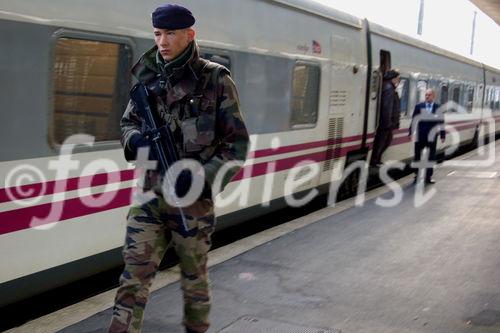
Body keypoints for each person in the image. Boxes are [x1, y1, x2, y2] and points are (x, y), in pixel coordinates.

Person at [108, 4, 249, 333]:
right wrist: (135, 142)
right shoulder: (147, 76)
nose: (162, 42)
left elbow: (236, 146)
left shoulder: (214, 79)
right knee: (132, 280)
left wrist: (201, 176)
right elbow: (128, 123)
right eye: (158, 34)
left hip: (193, 204)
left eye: (170, 33)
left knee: (193, 282)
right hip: (150, 197)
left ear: (190, 34)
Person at [409, 88, 445, 184]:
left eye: (429, 95)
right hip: (420, 136)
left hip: (432, 136)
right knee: (417, 157)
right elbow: (414, 121)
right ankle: (416, 176)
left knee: (431, 157)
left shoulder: (438, 108)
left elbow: (441, 122)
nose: (427, 96)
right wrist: (411, 133)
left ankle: (428, 177)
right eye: (426, 95)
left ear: (433, 96)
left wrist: (442, 135)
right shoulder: (419, 106)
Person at [370, 69, 401, 167]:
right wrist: (388, 124)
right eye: (397, 78)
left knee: (384, 141)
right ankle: (375, 160)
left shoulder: (388, 87)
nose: (398, 81)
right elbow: (387, 107)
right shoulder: (389, 88)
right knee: (383, 142)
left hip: (385, 122)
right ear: (393, 78)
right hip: (385, 123)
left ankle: (376, 160)